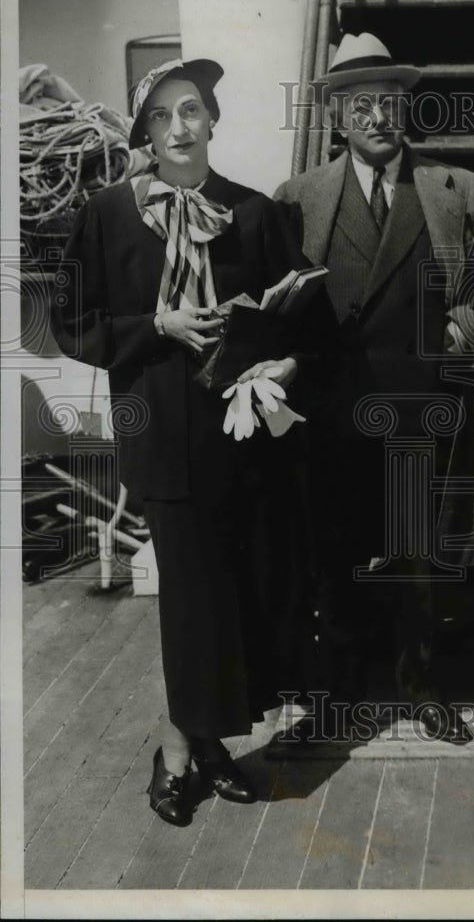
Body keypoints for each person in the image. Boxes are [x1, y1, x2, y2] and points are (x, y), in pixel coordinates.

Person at [51, 58, 329, 825]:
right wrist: (157, 326)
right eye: (164, 115)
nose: (180, 128)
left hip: (245, 440)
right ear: (145, 130)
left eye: (194, 111)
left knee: (237, 595)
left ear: (213, 120)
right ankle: (176, 750)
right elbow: (70, 326)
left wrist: (283, 352)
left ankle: (210, 745)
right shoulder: (108, 215)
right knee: (190, 601)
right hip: (162, 434)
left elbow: (304, 322)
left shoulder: (253, 213)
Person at [274, 32, 474, 744]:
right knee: (332, 551)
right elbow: (276, 303)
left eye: (389, 103)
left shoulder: (455, 191)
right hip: (331, 405)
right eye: (360, 106)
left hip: (419, 400)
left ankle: (419, 685)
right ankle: (337, 695)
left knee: (419, 554)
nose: (376, 118)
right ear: (337, 117)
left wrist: (459, 330)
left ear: (406, 109)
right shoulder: (296, 199)